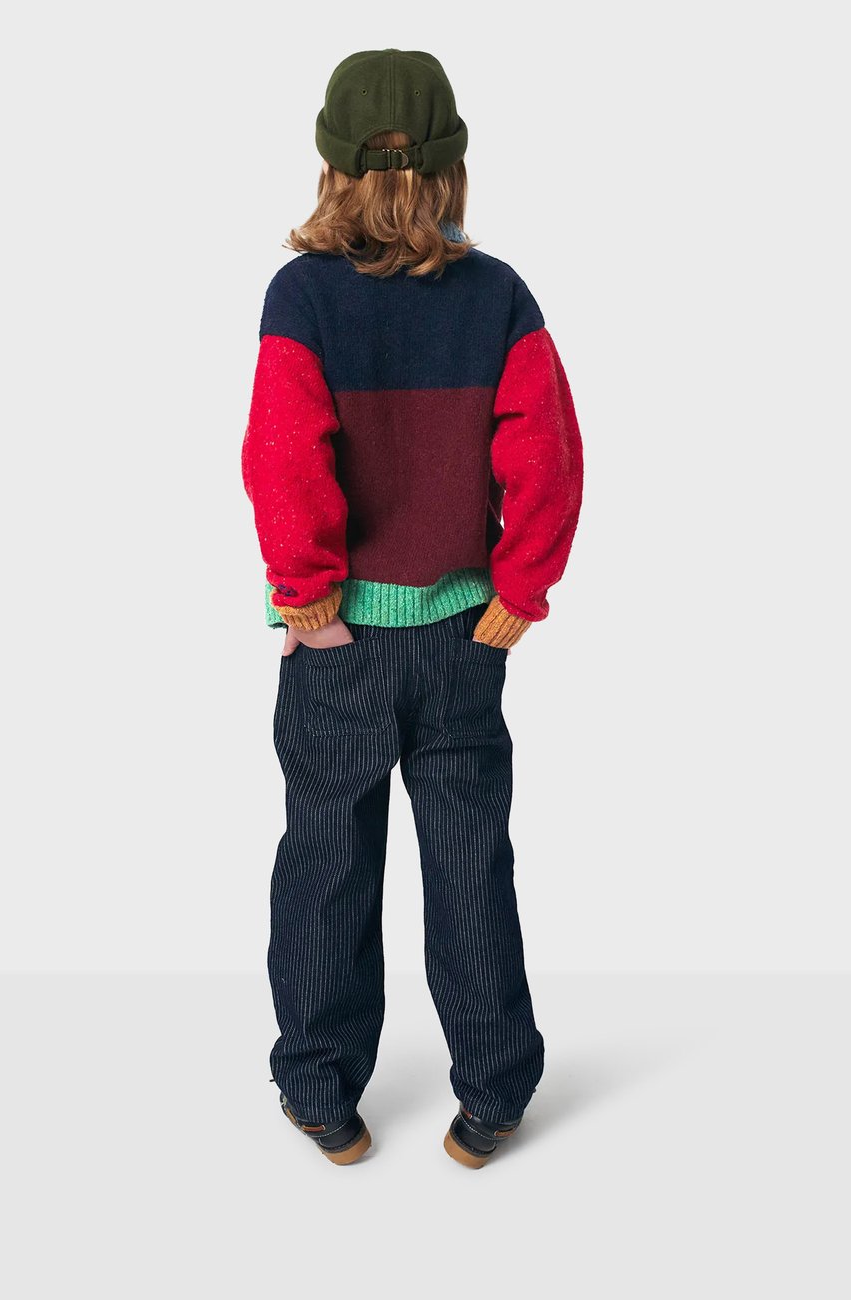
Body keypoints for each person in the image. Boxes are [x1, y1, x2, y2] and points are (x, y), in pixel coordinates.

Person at [241, 48, 584, 1169]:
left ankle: (320, 1092)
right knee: (471, 865)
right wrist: (519, 589)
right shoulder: (498, 296)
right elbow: (549, 457)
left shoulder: (302, 297)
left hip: (337, 644)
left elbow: (282, 458)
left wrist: (306, 600)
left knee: (326, 865)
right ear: (451, 169)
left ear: (331, 167)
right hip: (462, 640)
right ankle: (493, 1095)